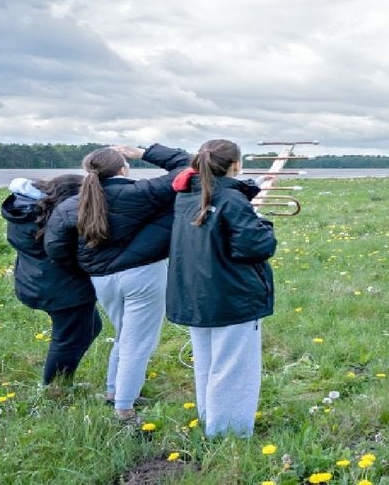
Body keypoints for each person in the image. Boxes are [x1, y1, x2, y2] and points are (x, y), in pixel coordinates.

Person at [45, 143, 190, 422]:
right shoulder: (141, 192)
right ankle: (124, 408)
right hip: (143, 274)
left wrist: (84, 266)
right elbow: (186, 167)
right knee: (139, 342)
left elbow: (56, 247)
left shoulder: (71, 204)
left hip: (101, 278)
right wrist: (145, 152)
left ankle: (115, 391)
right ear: (123, 168)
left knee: (125, 335)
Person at [166, 139, 277, 438]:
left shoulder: (186, 195)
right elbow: (255, 246)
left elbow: (221, 210)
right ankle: (229, 436)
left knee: (208, 364)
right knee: (233, 369)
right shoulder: (229, 201)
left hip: (197, 294)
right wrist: (261, 222)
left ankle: (210, 422)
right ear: (235, 165)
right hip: (232, 295)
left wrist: (247, 191)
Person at [1, 175, 100, 391]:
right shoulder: (54, 219)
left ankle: (63, 378)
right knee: (67, 339)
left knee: (90, 328)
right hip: (63, 289)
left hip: (37, 281)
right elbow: (70, 253)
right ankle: (54, 388)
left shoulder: (26, 210)